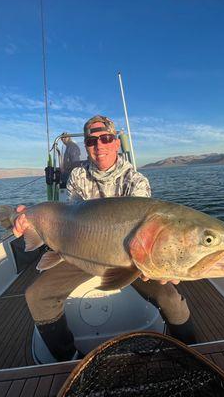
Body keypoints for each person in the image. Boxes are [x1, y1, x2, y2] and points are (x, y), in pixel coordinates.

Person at [13, 115, 195, 362]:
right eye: (91, 141)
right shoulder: (78, 177)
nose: (99, 145)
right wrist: (33, 218)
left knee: (170, 297)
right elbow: (70, 218)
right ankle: (69, 359)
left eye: (106, 138)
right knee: (36, 295)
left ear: (116, 143)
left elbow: (147, 231)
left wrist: (162, 264)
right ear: (87, 146)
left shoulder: (136, 181)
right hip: (82, 254)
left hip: (129, 261)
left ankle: (192, 352)